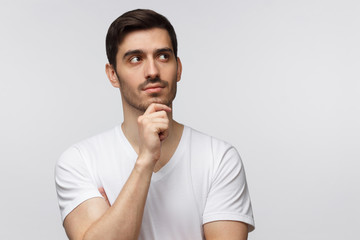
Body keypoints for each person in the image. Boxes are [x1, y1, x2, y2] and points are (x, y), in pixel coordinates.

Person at [55, 9, 255, 240]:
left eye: (163, 56)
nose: (152, 71)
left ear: (178, 68)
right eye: (136, 59)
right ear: (112, 74)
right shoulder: (80, 161)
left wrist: (112, 221)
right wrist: (145, 161)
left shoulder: (219, 158)